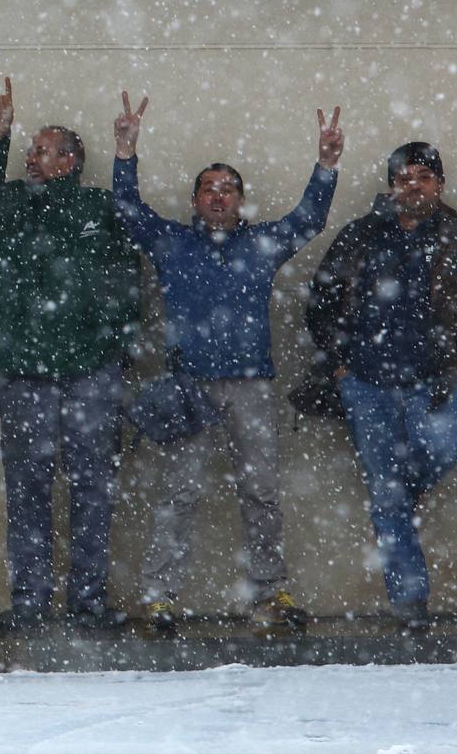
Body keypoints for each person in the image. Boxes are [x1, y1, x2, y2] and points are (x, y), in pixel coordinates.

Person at [113, 96, 342, 635]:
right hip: (187, 388)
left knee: (261, 490)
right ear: (195, 198)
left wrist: (326, 165)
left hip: (251, 387)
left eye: (228, 189)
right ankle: (160, 598)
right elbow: (127, 211)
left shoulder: (262, 245)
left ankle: (269, 594)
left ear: (240, 201)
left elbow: (309, 219)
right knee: (180, 493)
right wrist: (125, 151)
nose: (218, 196)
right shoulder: (172, 243)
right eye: (209, 188)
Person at [0, 77, 140, 635]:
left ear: (69, 160)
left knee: (93, 485)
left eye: (40, 150)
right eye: (30, 149)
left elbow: (128, 274)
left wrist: (116, 343)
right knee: (27, 487)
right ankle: (30, 604)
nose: (31, 158)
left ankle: (88, 603)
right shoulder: (16, 206)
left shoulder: (98, 207)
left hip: (91, 369)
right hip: (25, 368)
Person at [307, 142, 457, 632]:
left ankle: (398, 493)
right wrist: (337, 365)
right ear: (392, 184)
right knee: (384, 491)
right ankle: (409, 602)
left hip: (435, 382)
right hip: (366, 383)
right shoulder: (361, 235)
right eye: (404, 177)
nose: (412, 185)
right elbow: (322, 298)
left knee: (441, 450)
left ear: (439, 184)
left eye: (422, 177)